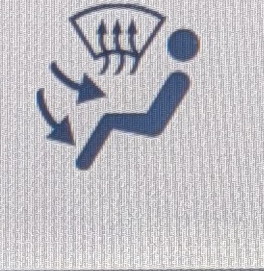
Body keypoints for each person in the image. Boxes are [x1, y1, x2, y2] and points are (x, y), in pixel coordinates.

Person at [74, 27, 198, 170]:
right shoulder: (177, 79)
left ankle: (83, 162)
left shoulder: (178, 80)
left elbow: (153, 123)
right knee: (108, 120)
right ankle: (83, 162)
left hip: (151, 122)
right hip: (151, 121)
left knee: (108, 120)